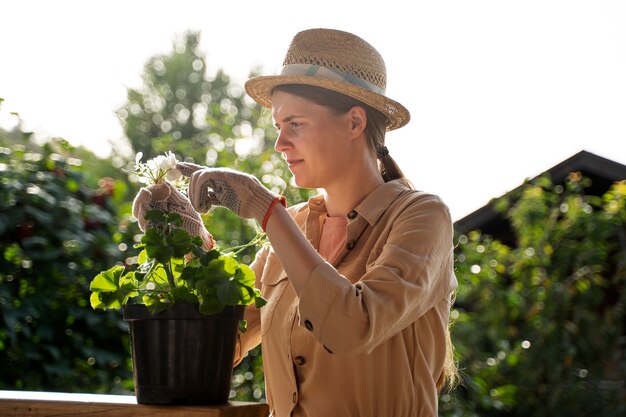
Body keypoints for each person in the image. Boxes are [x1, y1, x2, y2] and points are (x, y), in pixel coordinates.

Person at [135, 28, 458, 417]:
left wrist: (267, 210)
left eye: (296, 124)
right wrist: (188, 243)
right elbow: (222, 342)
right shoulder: (295, 225)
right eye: (278, 127)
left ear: (355, 123)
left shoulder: (422, 217)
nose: (280, 143)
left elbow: (351, 327)